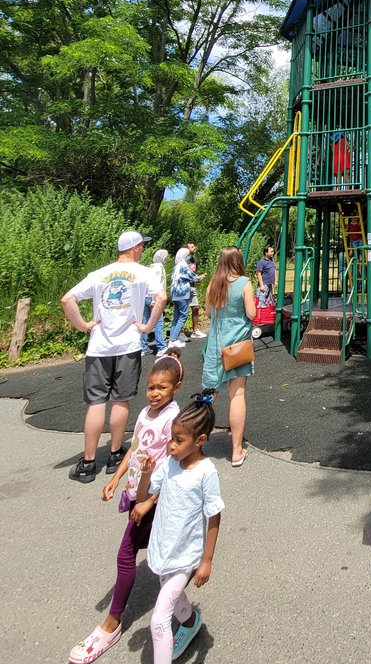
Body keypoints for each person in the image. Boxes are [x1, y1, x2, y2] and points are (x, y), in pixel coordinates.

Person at [68, 352, 183, 664]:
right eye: (150, 387)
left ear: (176, 387)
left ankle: (112, 623)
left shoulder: (174, 419)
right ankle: (186, 618)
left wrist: (149, 501)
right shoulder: (146, 413)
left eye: (162, 387)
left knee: (129, 554)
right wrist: (117, 478)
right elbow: (135, 448)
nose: (155, 393)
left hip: (154, 499)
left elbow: (174, 468)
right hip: (137, 493)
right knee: (164, 562)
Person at [61, 230, 166, 485]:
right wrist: (148, 326)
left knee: (96, 402)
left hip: (98, 346)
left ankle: (87, 463)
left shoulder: (99, 275)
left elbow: (67, 299)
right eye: (141, 245)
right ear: (136, 248)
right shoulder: (144, 273)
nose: (142, 249)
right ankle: (115, 454)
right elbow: (161, 297)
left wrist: (84, 325)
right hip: (128, 344)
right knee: (121, 399)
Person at [135, 392, 224, 663]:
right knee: (173, 600)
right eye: (172, 438)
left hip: (185, 555)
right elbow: (142, 497)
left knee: (159, 618)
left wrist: (206, 560)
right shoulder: (169, 464)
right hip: (163, 549)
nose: (171, 446)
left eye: (178, 440)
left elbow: (214, 516)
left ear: (199, 441)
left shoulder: (206, 473)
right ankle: (190, 622)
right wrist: (147, 473)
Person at [201, 246, 257, 466]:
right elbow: (251, 313)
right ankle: (236, 451)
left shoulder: (213, 283)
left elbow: (208, 312)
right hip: (237, 347)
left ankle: (195, 444)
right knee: (237, 394)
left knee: (209, 395)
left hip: (215, 346)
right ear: (238, 261)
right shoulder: (244, 283)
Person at [167, 247, 204, 348]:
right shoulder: (183, 265)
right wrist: (200, 277)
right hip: (182, 294)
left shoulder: (176, 266)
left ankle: (172, 338)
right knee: (183, 315)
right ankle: (173, 339)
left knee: (176, 316)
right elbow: (193, 277)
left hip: (175, 294)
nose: (189, 257)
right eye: (187, 255)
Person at [141, 249, 169, 357]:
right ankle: (161, 347)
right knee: (158, 321)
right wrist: (154, 300)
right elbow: (156, 284)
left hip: (146, 297)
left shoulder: (150, 267)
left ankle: (143, 347)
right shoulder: (159, 267)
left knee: (145, 321)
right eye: (165, 257)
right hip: (154, 297)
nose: (166, 259)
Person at [186, 242, 207, 340]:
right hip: (184, 287)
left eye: (194, 246)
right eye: (192, 247)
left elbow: (194, 274)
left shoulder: (194, 259)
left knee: (195, 308)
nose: (194, 248)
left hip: (192, 286)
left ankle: (195, 330)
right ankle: (179, 332)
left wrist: (198, 278)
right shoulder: (183, 260)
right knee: (183, 310)